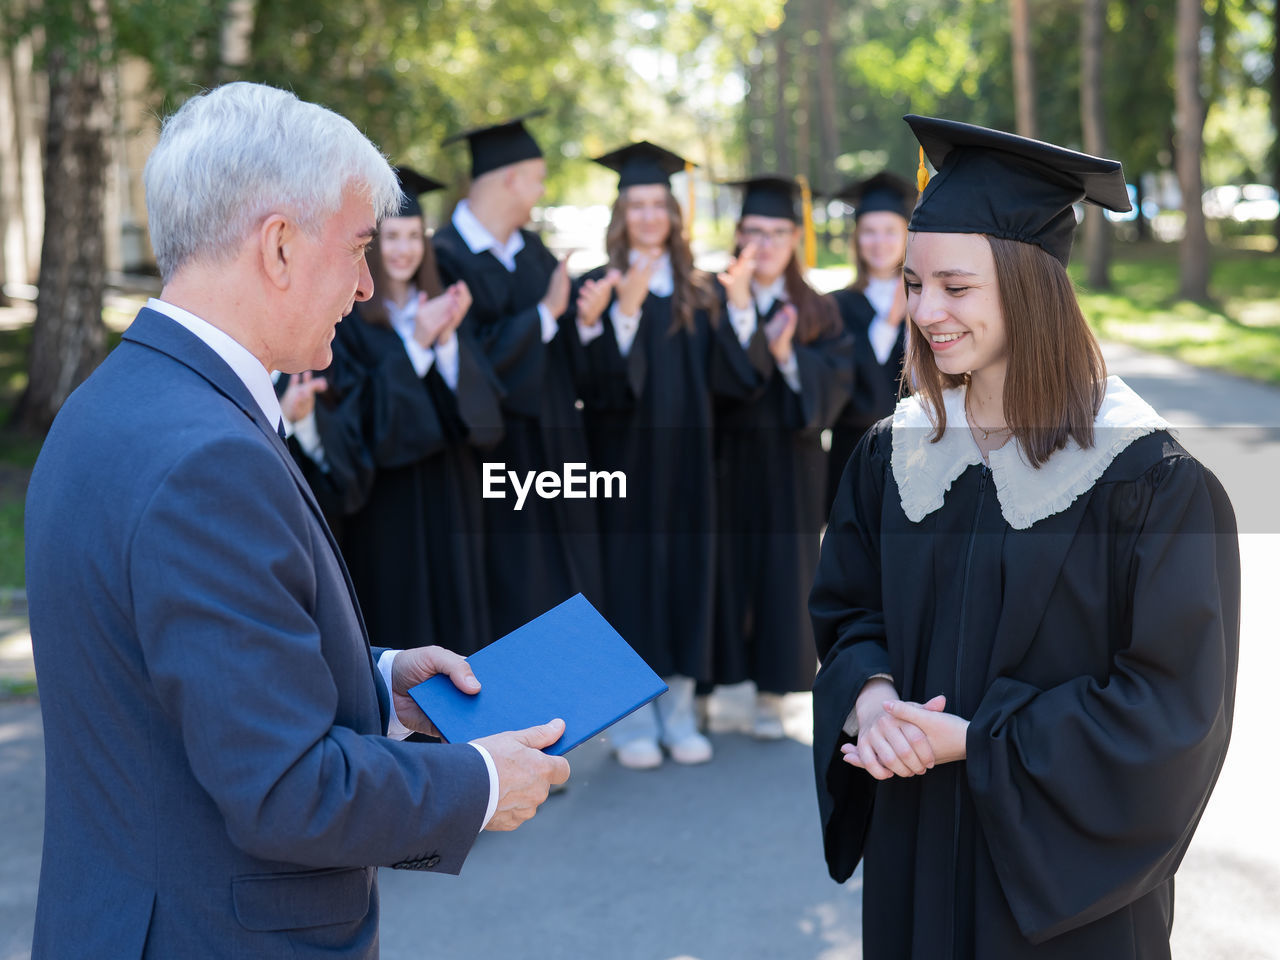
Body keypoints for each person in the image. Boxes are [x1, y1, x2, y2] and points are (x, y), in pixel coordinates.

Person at [25, 83, 568, 959]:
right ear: (278, 245)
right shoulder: (208, 457)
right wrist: (476, 779)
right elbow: (283, 789)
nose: (364, 284)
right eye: (357, 247)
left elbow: (179, 679)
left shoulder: (112, 402)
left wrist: (375, 678)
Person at [810, 115, 1240, 959]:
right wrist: (870, 698)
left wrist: (978, 743)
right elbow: (850, 611)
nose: (926, 311)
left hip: (1064, 897)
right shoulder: (897, 453)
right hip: (917, 849)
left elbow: (1174, 713)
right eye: (913, 282)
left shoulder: (1148, 483)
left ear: (1030, 284)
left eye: (956, 288)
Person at [571, 141, 720, 769]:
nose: (649, 216)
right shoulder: (596, 286)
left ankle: (679, 712)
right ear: (620, 215)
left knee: (686, 579)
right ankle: (631, 721)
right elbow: (590, 387)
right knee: (628, 585)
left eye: (658, 204)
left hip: (688, 464)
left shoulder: (698, 290)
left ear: (673, 214)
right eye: (637, 205)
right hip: (624, 463)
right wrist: (619, 319)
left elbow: (724, 381)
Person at [317, 166, 505, 656]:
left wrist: (444, 343)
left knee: (456, 621)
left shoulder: (442, 310)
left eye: (413, 236)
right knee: (403, 623)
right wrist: (417, 344)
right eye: (390, 237)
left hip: (451, 496)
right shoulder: (351, 322)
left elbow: (482, 422)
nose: (402, 249)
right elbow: (365, 426)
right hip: (390, 508)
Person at [433, 112, 603, 639]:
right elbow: (471, 360)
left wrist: (587, 322)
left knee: (565, 583)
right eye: (537, 177)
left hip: (554, 448)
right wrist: (545, 315)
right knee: (512, 589)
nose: (541, 189)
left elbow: (565, 354)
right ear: (510, 179)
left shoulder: (531, 251)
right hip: (494, 459)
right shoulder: (443, 258)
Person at [712, 175, 853, 739]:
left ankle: (773, 693)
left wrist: (786, 356)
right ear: (738, 237)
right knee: (722, 571)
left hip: (790, 462)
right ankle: (712, 688)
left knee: (782, 575)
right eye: (753, 232)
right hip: (725, 459)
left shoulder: (817, 309)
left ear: (796, 238)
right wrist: (743, 315)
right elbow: (714, 381)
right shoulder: (710, 297)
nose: (765, 245)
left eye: (777, 233)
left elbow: (834, 388)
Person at [824, 171, 916, 517]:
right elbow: (853, 388)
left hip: (921, 452)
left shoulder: (930, 297)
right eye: (869, 232)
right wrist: (890, 320)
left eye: (890, 231)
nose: (879, 241)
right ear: (857, 239)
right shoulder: (836, 306)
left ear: (908, 234)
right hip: (855, 453)